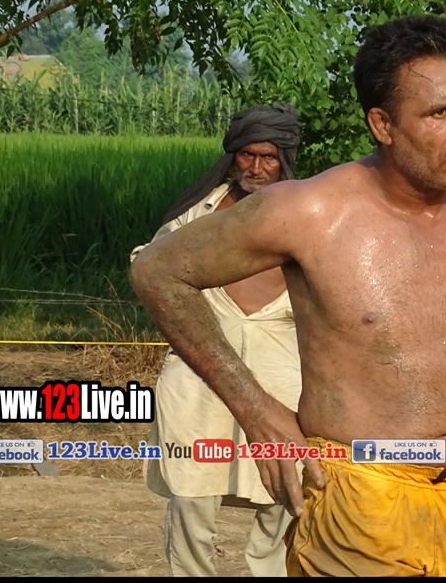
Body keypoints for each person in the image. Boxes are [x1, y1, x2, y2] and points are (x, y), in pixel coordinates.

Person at [130, 14, 446, 577]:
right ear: (382, 124)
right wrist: (256, 408)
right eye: (438, 113)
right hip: (354, 499)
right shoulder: (310, 211)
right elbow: (158, 271)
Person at [129, 102, 303, 577]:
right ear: (232, 156)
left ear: (285, 160)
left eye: (269, 157)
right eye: (248, 155)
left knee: (284, 491)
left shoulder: (306, 219)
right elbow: (149, 271)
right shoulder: (196, 217)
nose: (257, 168)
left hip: (282, 374)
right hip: (198, 374)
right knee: (191, 492)